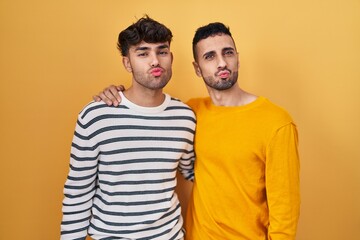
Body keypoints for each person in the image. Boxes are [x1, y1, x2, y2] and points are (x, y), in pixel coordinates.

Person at [94, 22, 300, 240]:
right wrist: (117, 94)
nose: (222, 63)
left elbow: (285, 212)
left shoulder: (276, 122)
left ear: (237, 58)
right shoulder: (190, 112)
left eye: (227, 53)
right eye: (210, 56)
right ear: (197, 68)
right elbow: (149, 114)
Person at [61, 16, 196, 240]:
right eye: (143, 53)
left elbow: (193, 172)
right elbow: (77, 193)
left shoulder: (185, 117)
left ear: (170, 57)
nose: (155, 61)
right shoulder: (96, 115)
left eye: (161, 52)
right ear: (127, 63)